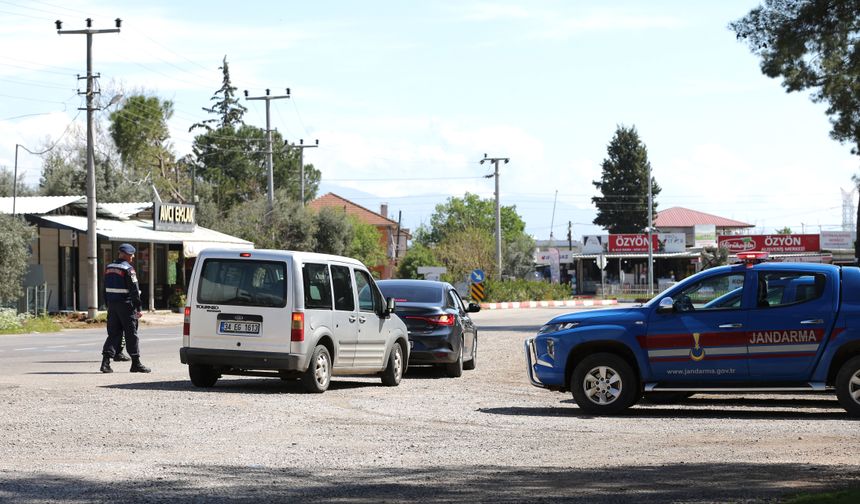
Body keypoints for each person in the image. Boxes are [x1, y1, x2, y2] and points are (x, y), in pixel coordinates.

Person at [100, 243, 151, 373]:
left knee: (113, 334)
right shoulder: (128, 269)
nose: (133, 257)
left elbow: (104, 288)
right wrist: (138, 308)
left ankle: (105, 363)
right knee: (131, 334)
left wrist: (107, 304)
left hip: (112, 306)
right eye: (131, 255)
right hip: (126, 306)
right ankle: (136, 363)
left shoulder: (109, 268)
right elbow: (134, 290)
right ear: (125, 255)